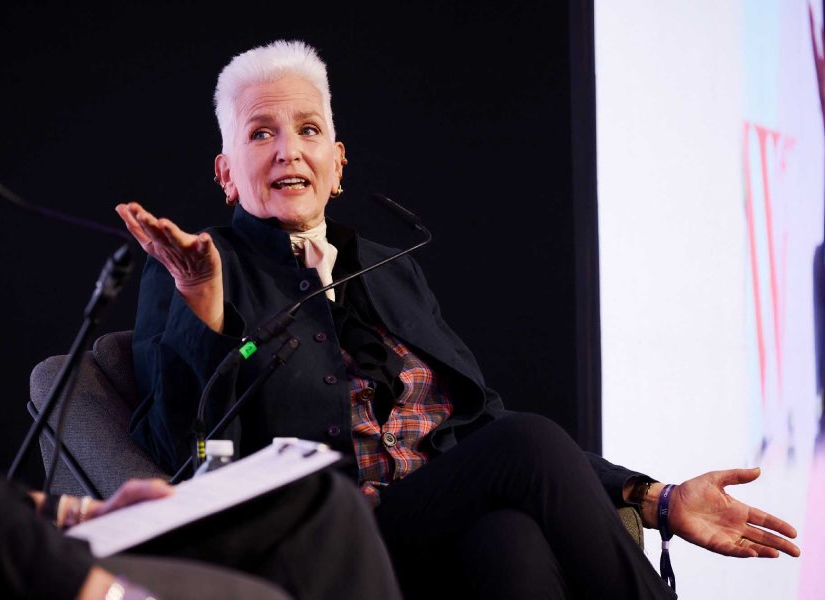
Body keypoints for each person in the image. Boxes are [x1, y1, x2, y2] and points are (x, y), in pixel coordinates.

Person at [115, 39, 801, 598]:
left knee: (509, 541)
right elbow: (181, 451)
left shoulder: (389, 266)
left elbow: (478, 424)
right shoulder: (192, 268)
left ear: (338, 164)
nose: (288, 150)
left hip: (429, 529)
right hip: (324, 540)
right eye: (260, 132)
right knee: (527, 443)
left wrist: (654, 496)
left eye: (309, 130)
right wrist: (203, 309)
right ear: (226, 173)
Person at [0, 416, 402, 599]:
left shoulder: (389, 271)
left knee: (325, 502)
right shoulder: (194, 269)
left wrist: (71, 510)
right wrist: (78, 583)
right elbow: (173, 420)